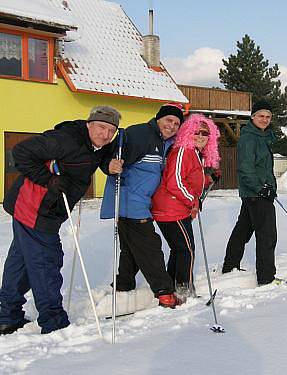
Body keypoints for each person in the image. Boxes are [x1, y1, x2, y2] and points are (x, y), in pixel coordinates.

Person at [0, 106, 120, 335]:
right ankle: (53, 322)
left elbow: (102, 156)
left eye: (110, 130)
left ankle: (7, 316)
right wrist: (49, 180)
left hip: (46, 209)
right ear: (89, 124)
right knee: (46, 261)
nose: (105, 134)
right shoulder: (66, 140)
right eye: (101, 127)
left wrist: (109, 166)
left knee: (23, 262)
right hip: (35, 207)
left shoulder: (98, 146)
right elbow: (21, 152)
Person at [100, 104, 184, 309]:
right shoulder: (140, 134)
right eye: (168, 121)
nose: (171, 126)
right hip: (129, 200)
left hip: (141, 201)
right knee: (150, 247)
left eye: (176, 123)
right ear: (158, 119)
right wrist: (110, 167)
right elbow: (109, 157)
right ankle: (164, 292)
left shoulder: (165, 142)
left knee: (131, 248)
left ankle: (124, 284)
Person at [151, 114, 220, 300]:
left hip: (176, 207)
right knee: (186, 250)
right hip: (171, 208)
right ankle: (184, 290)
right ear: (188, 133)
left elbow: (189, 178)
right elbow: (174, 182)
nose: (201, 136)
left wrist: (206, 179)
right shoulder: (183, 150)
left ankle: (172, 286)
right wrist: (193, 201)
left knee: (179, 249)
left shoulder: (194, 153)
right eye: (196, 132)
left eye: (205, 133)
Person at [222, 100, 279, 286]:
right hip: (256, 193)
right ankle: (266, 277)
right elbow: (246, 168)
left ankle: (230, 265)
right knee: (267, 234)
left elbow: (263, 166)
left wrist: (269, 186)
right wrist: (261, 188)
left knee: (243, 230)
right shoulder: (249, 138)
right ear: (253, 117)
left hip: (257, 192)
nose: (265, 119)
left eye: (268, 116)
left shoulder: (263, 136)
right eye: (261, 116)